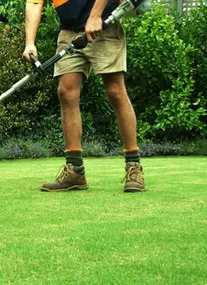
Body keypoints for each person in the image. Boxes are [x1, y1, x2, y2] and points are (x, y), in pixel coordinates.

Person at [22, 0, 145, 193]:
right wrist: (30, 43)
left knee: (115, 92)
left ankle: (134, 167)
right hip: (70, 32)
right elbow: (34, 3)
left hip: (104, 27)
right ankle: (75, 171)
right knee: (66, 91)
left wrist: (95, 16)